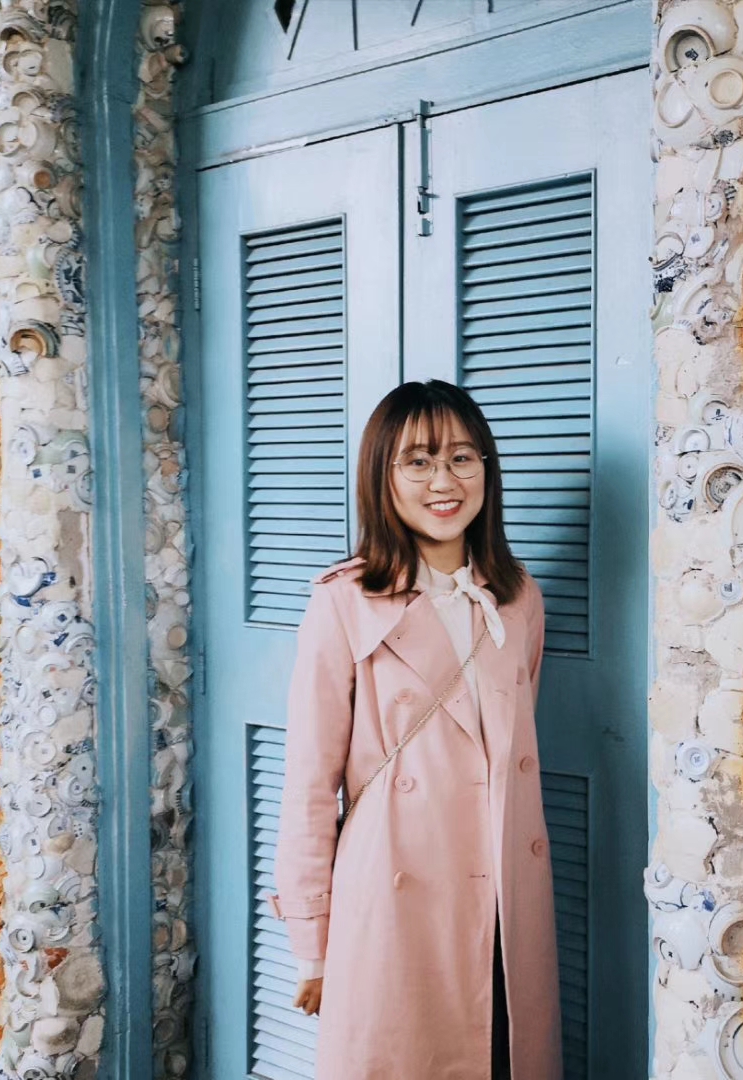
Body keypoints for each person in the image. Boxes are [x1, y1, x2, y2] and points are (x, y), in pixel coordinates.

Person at [271, 380, 562, 1079]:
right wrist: (312, 941)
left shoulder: (518, 598)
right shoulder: (345, 601)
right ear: (383, 475)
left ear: (486, 469)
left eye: (462, 458)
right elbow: (309, 783)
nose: (444, 482)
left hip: (503, 894)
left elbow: (506, 753)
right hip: (396, 894)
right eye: (419, 461)